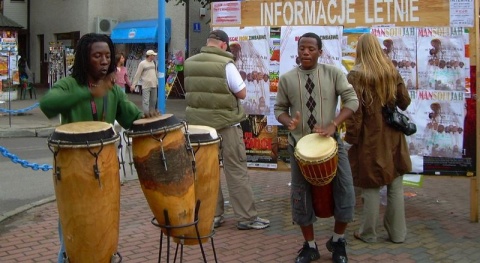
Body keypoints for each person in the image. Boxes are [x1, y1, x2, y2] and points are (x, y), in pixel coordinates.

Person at [39, 33, 154, 262]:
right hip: (74, 169)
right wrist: (90, 92)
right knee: (74, 232)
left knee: (103, 227)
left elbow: (130, 117)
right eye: (97, 56)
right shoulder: (69, 84)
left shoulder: (113, 90)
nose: (104, 60)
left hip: (105, 167)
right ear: (84, 58)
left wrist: (146, 118)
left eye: (107, 56)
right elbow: (47, 104)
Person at [274, 32, 359, 263]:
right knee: (300, 196)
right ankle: (310, 246)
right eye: (302, 48)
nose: (306, 52)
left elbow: (352, 101)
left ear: (320, 52)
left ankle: (338, 241)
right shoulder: (288, 79)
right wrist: (287, 121)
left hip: (331, 145)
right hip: (299, 148)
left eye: (311, 49)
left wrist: (334, 124)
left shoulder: (333, 74)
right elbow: (279, 108)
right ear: (298, 50)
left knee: (346, 191)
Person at [184, 29, 270, 230]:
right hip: (226, 125)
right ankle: (246, 217)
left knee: (206, 172)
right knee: (236, 170)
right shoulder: (226, 64)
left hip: (198, 128)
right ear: (224, 44)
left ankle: (213, 215)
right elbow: (241, 92)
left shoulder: (190, 62)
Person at [344, 33, 411, 244]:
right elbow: (405, 102)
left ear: (360, 50)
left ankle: (368, 233)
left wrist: (351, 139)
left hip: (370, 137)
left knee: (370, 185)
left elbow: (354, 112)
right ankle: (398, 234)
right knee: (395, 184)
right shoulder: (391, 70)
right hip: (393, 136)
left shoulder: (355, 75)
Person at [131, 49, 158, 114]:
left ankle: (152, 114)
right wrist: (133, 85)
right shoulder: (142, 63)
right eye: (153, 55)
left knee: (154, 101)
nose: (154, 56)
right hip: (146, 85)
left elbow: (155, 73)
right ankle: (146, 114)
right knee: (146, 101)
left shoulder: (154, 63)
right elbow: (138, 74)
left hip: (154, 84)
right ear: (150, 56)